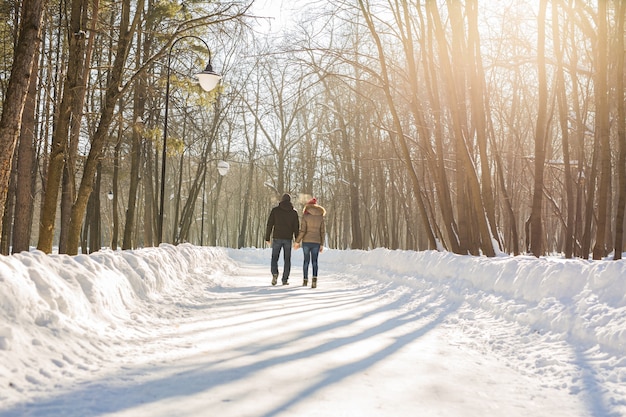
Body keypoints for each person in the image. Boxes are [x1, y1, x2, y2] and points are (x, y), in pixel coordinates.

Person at [265, 193, 300, 285]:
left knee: (274, 258)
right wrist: (297, 240)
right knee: (287, 259)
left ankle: (275, 273)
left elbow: (270, 224)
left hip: (277, 237)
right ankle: (285, 279)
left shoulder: (275, 210)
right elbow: (296, 228)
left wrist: (267, 237)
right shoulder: (293, 212)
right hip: (288, 239)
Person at [294, 197, 326, 288]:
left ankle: (305, 280)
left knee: (306, 261)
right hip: (316, 242)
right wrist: (322, 244)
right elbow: (322, 232)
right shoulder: (320, 217)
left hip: (306, 242)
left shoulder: (306, 216)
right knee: (315, 261)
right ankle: (314, 280)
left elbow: (302, 231)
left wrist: (297, 241)